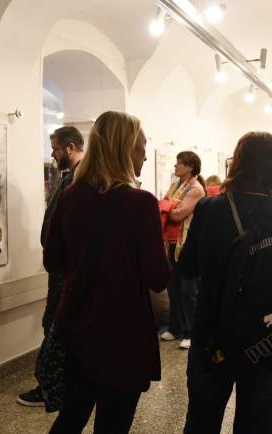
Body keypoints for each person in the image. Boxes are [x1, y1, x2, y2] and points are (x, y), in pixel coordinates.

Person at [179, 132, 272, 434]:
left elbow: (187, 268)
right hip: (267, 339)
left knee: (202, 420)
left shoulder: (209, 208)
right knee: (257, 423)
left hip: (213, 333)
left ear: (237, 164)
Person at [44, 111, 170, 433]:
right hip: (123, 334)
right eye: (141, 147)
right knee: (113, 424)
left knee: (71, 418)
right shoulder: (141, 203)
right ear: (124, 148)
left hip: (77, 327)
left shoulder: (71, 195)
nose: (144, 155)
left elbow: (52, 261)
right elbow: (158, 277)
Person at [16, 126, 84, 407]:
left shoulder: (79, 179)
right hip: (61, 268)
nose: (53, 154)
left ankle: (50, 388)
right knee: (55, 323)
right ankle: (58, 385)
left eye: (55, 148)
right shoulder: (71, 177)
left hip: (65, 270)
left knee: (55, 324)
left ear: (70, 147)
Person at [159, 151, 206, 350]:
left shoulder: (195, 188)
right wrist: (170, 205)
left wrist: (169, 206)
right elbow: (163, 205)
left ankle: (191, 332)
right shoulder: (175, 185)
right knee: (173, 288)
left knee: (188, 290)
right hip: (172, 243)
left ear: (190, 166)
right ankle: (176, 328)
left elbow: (178, 215)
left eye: (179, 163)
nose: (175, 166)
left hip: (187, 244)